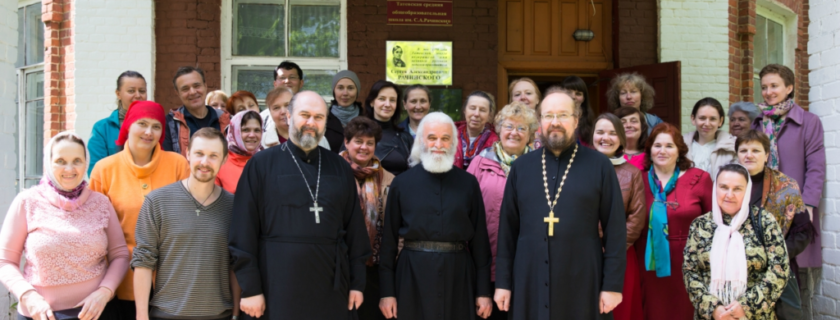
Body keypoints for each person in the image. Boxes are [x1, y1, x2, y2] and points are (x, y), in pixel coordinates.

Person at [228, 91, 371, 320]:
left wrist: (357, 283)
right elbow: (242, 232)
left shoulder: (340, 167)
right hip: (276, 284)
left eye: (318, 117)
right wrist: (251, 288)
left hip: (331, 288)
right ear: (289, 116)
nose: (311, 123)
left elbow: (355, 231)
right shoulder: (261, 165)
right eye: (304, 115)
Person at [494, 90, 626, 319]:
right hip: (529, 281)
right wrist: (503, 283)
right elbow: (507, 230)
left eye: (563, 115)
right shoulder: (521, 168)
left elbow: (615, 230)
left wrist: (612, 286)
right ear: (540, 122)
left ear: (575, 120)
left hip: (583, 281)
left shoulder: (600, 166)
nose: (555, 122)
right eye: (548, 116)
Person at [0, 132, 129, 320]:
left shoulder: (101, 203)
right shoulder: (27, 202)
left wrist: (105, 292)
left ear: (86, 163)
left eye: (77, 160)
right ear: (48, 163)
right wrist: (27, 296)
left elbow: (120, 255)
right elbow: (5, 262)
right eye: (61, 161)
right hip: (39, 314)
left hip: (97, 312)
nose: (69, 168)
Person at [379, 112, 493, 320]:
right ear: (421, 140)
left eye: (445, 138)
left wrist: (483, 292)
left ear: (454, 142)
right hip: (412, 274)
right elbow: (388, 242)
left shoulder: (468, 183)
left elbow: (480, 243)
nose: (438, 144)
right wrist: (387, 292)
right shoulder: (401, 184)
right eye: (432, 138)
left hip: (459, 275)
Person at [89, 101, 190, 319]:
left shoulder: (178, 164)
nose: (148, 131)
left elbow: (188, 219)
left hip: (171, 279)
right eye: (142, 123)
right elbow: (94, 229)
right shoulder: (104, 170)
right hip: (120, 281)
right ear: (127, 126)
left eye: (156, 126)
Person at [132, 128, 238, 320]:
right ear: (187, 153)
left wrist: (236, 314)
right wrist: (141, 316)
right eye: (199, 154)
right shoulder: (157, 201)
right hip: (166, 314)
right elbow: (143, 261)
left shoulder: (234, 207)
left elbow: (236, 263)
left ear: (224, 160)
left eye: (213, 156)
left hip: (219, 315)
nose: (205, 162)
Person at [752, 65, 825, 305]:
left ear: (789, 88)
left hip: (796, 211)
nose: (768, 92)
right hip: (762, 209)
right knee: (763, 277)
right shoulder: (757, 123)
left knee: (795, 279)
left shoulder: (809, 122)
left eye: (774, 86)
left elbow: (816, 166)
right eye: (764, 87)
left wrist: (809, 206)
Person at [683, 164, 790, 320]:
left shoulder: (765, 222)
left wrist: (745, 307)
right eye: (724, 187)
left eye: (737, 189)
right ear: (715, 189)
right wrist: (714, 308)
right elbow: (690, 271)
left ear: (747, 191)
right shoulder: (700, 225)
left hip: (755, 315)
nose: (729, 194)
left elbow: (779, 269)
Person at [466, 102, 536, 320]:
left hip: (528, 263)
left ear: (531, 134)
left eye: (521, 128)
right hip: (485, 261)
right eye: (508, 126)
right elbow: (464, 209)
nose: (514, 132)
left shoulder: (540, 166)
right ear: (498, 129)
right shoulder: (479, 162)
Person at [636, 122, 713, 320]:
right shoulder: (638, 179)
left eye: (669, 146)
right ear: (649, 150)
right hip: (646, 262)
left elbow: (713, 223)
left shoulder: (700, 178)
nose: (662, 151)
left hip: (688, 263)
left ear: (679, 151)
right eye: (657, 145)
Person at [736, 130, 815, 302]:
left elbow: (803, 233)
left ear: (766, 155)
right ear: (737, 155)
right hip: (734, 269)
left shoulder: (786, 187)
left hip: (775, 269)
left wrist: (773, 255)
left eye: (756, 151)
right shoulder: (726, 184)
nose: (749, 155)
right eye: (743, 151)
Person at [339, 117, 396, 320]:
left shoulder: (389, 180)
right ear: (346, 142)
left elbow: (395, 226)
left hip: (375, 267)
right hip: (339, 266)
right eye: (358, 141)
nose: (364, 147)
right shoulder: (332, 173)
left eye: (370, 143)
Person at [591, 113, 646, 320]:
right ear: (592, 136)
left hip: (619, 253)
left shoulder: (632, 173)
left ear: (622, 139)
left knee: (617, 311)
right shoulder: (578, 168)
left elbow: (636, 217)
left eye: (613, 133)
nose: (606, 138)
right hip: (582, 252)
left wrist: (612, 247)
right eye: (600, 132)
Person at [163, 66, 231, 157]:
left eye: (196, 86)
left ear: (205, 86)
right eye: (185, 89)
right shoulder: (170, 123)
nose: (192, 92)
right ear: (177, 93)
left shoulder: (227, 120)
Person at [88, 71, 148, 176]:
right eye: (131, 91)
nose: (138, 95)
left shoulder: (156, 127)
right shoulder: (102, 128)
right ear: (118, 94)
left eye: (142, 91)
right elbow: (95, 170)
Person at [364, 80, 413, 175]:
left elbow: (414, 173)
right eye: (382, 99)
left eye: (392, 100)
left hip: (399, 189)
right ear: (372, 102)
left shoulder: (405, 138)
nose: (387, 104)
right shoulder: (357, 134)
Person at [682, 97, 736, 178]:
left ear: (720, 121)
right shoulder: (680, 146)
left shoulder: (732, 148)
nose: (707, 123)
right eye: (702, 118)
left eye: (712, 119)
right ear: (693, 119)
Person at [215, 110, 263, 193]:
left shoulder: (267, 160)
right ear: (234, 131)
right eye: (246, 130)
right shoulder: (220, 163)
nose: (252, 135)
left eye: (257, 130)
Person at [455, 91, 499, 169]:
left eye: (482, 110)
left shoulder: (497, 142)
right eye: (472, 108)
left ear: (489, 115)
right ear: (464, 110)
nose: (476, 114)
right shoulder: (450, 135)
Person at [325, 70, 364, 152]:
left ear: (357, 91)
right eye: (340, 88)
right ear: (334, 91)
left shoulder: (367, 119)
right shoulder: (324, 119)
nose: (345, 93)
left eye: (350, 88)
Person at [561, 76, 596, 148]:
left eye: (578, 94)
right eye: (569, 92)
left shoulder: (592, 124)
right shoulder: (553, 120)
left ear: (584, 99)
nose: (573, 96)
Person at [508, 77, 542, 148]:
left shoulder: (547, 124)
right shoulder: (505, 126)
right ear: (511, 101)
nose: (523, 97)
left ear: (537, 99)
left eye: (528, 93)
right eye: (517, 94)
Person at [614, 106, 650, 171]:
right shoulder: (611, 154)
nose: (628, 125)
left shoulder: (650, 155)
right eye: (623, 122)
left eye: (633, 121)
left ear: (642, 127)